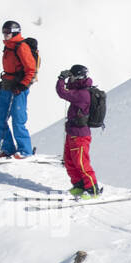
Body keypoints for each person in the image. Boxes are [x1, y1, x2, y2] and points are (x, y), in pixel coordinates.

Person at [56, 64, 102, 197]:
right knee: (69, 160)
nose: (70, 79)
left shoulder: (82, 94)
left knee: (81, 162)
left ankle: (93, 189)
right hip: (72, 133)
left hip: (80, 135)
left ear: (78, 77)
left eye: (71, 76)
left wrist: (61, 79)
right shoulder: (79, 90)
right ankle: (79, 185)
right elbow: (69, 90)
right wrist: (65, 80)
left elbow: (62, 92)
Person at [0, 20, 35, 158]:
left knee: (18, 120)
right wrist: (4, 81)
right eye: (3, 32)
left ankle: (25, 151)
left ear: (15, 32)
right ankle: (7, 149)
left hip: (18, 88)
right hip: (7, 85)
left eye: (7, 32)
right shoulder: (9, 46)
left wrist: (23, 85)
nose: (5, 35)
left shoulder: (21, 47)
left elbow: (31, 69)